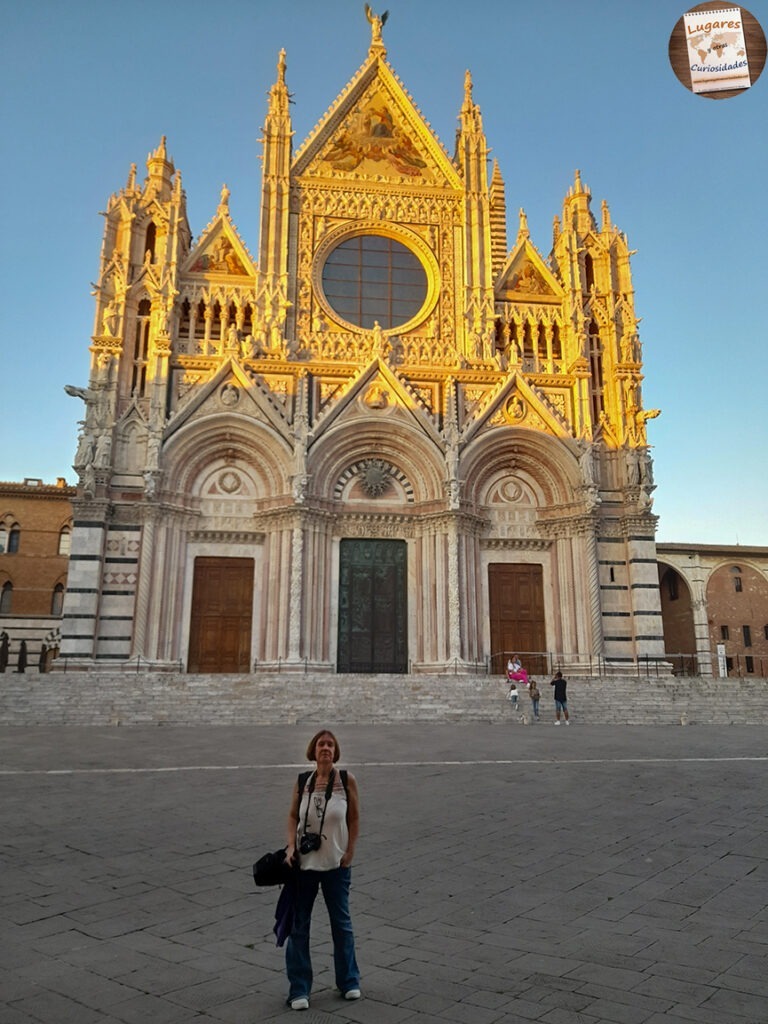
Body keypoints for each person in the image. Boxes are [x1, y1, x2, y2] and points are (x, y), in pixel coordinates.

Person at [284, 729, 361, 1011]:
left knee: (342, 925)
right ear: (313, 751)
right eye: (321, 744)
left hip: (336, 864)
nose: (326, 748)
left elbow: (354, 818)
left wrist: (350, 851)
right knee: (298, 926)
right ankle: (299, 989)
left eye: (330, 744)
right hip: (304, 866)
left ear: (335, 750)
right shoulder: (302, 781)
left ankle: (349, 981)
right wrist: (290, 846)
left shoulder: (346, 780)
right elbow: (292, 816)